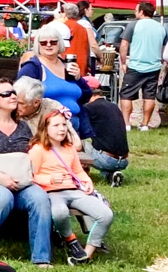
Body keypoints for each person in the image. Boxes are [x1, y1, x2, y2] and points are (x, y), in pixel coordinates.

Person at [0, 82, 54, 265]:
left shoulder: (23, 127)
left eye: (13, 92)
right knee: (1, 197)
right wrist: (0, 177)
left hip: (20, 182)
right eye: (6, 94)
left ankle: (41, 258)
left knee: (40, 199)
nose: (13, 96)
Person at [32, 108, 112, 261]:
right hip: (51, 192)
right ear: (45, 128)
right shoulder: (38, 149)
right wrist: (49, 179)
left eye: (64, 125)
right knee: (59, 213)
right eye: (56, 125)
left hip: (73, 190)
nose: (61, 129)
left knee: (105, 215)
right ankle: (71, 240)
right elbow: (31, 176)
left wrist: (87, 181)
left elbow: (78, 170)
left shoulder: (69, 148)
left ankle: (87, 253)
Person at [16, 23, 94, 130]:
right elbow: (20, 98)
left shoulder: (67, 65)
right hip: (44, 128)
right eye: (43, 42)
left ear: (60, 44)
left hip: (73, 127)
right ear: (38, 45)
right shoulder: (33, 68)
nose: (48, 45)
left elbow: (86, 96)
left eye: (53, 42)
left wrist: (78, 78)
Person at [118, 0, 167, 132]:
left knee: (126, 94)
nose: (135, 13)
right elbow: (164, 48)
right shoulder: (161, 27)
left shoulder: (133, 25)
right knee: (149, 96)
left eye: (136, 10)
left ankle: (126, 123)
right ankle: (145, 124)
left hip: (135, 65)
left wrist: (123, 62)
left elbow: (124, 45)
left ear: (142, 12)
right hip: (154, 66)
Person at [81, 91, 131, 185]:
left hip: (106, 159)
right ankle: (111, 176)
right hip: (124, 160)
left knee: (76, 141)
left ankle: (80, 175)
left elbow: (80, 131)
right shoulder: (114, 106)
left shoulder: (89, 108)